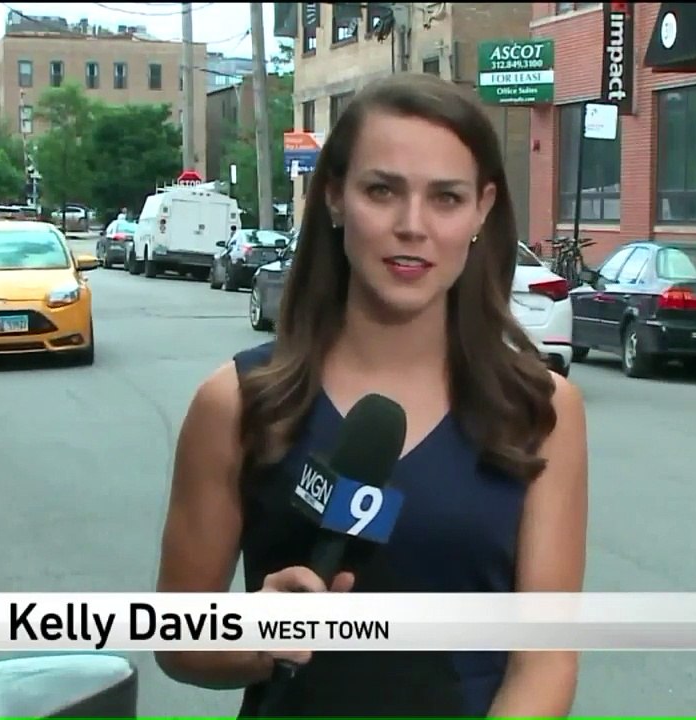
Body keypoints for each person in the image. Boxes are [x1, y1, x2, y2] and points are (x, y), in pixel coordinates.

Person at [155, 73, 589, 717]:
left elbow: (546, 660)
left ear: (482, 209)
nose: (412, 226)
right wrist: (256, 638)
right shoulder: (237, 404)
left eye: (446, 198)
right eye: (382, 190)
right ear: (334, 196)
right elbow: (177, 641)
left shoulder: (543, 412)